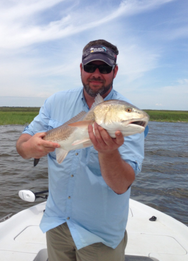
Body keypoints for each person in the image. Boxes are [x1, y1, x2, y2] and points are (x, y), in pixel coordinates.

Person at [16, 39, 145, 261]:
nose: (96, 73)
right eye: (90, 67)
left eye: (104, 68)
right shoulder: (55, 102)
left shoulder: (130, 124)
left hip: (100, 236)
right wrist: (30, 148)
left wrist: (109, 152)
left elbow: (122, 184)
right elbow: (23, 144)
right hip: (56, 224)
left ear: (115, 71)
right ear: (81, 69)